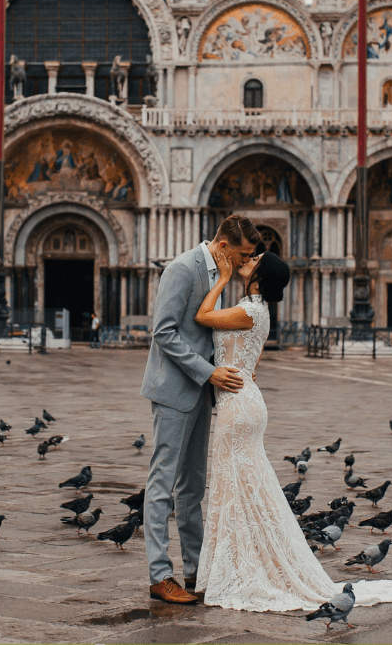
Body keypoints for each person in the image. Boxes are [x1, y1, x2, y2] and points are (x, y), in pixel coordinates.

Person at [191, 251, 392, 612]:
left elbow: (202, 316)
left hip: (238, 407)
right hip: (243, 400)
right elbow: (249, 364)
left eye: (255, 257)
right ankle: (241, 566)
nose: (249, 257)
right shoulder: (256, 310)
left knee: (233, 487)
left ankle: (241, 569)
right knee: (240, 488)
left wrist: (221, 278)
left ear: (259, 274)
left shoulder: (251, 310)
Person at [140, 213, 258, 604]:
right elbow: (164, 332)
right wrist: (208, 373)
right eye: (242, 254)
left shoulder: (217, 272)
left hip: (201, 392)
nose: (244, 263)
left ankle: (194, 570)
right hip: (175, 390)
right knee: (162, 484)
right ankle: (160, 575)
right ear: (224, 246)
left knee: (193, 486)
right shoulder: (181, 268)